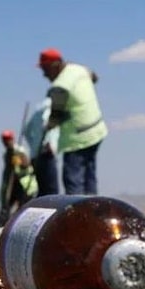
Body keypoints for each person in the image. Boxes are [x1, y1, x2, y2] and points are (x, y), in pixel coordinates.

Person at [37, 48, 108, 195]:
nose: (44, 74)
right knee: (89, 176)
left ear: (55, 65)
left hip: (78, 138)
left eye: (45, 69)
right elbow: (94, 77)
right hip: (96, 130)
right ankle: (92, 210)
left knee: (73, 180)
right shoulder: (79, 69)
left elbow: (55, 117)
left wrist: (47, 126)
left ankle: (79, 214)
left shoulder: (60, 87)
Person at [0, 129, 38, 225]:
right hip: (13, 184)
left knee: (24, 206)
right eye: (4, 139)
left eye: (8, 139)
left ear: (12, 139)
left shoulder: (19, 151)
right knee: (7, 205)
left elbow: (27, 164)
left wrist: (19, 161)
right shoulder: (6, 154)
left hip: (24, 184)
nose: (6, 141)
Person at [23, 98, 60, 196]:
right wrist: (47, 144)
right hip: (46, 155)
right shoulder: (48, 113)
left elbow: (26, 131)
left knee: (41, 190)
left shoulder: (36, 114)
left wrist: (33, 146)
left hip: (35, 156)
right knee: (51, 190)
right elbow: (46, 127)